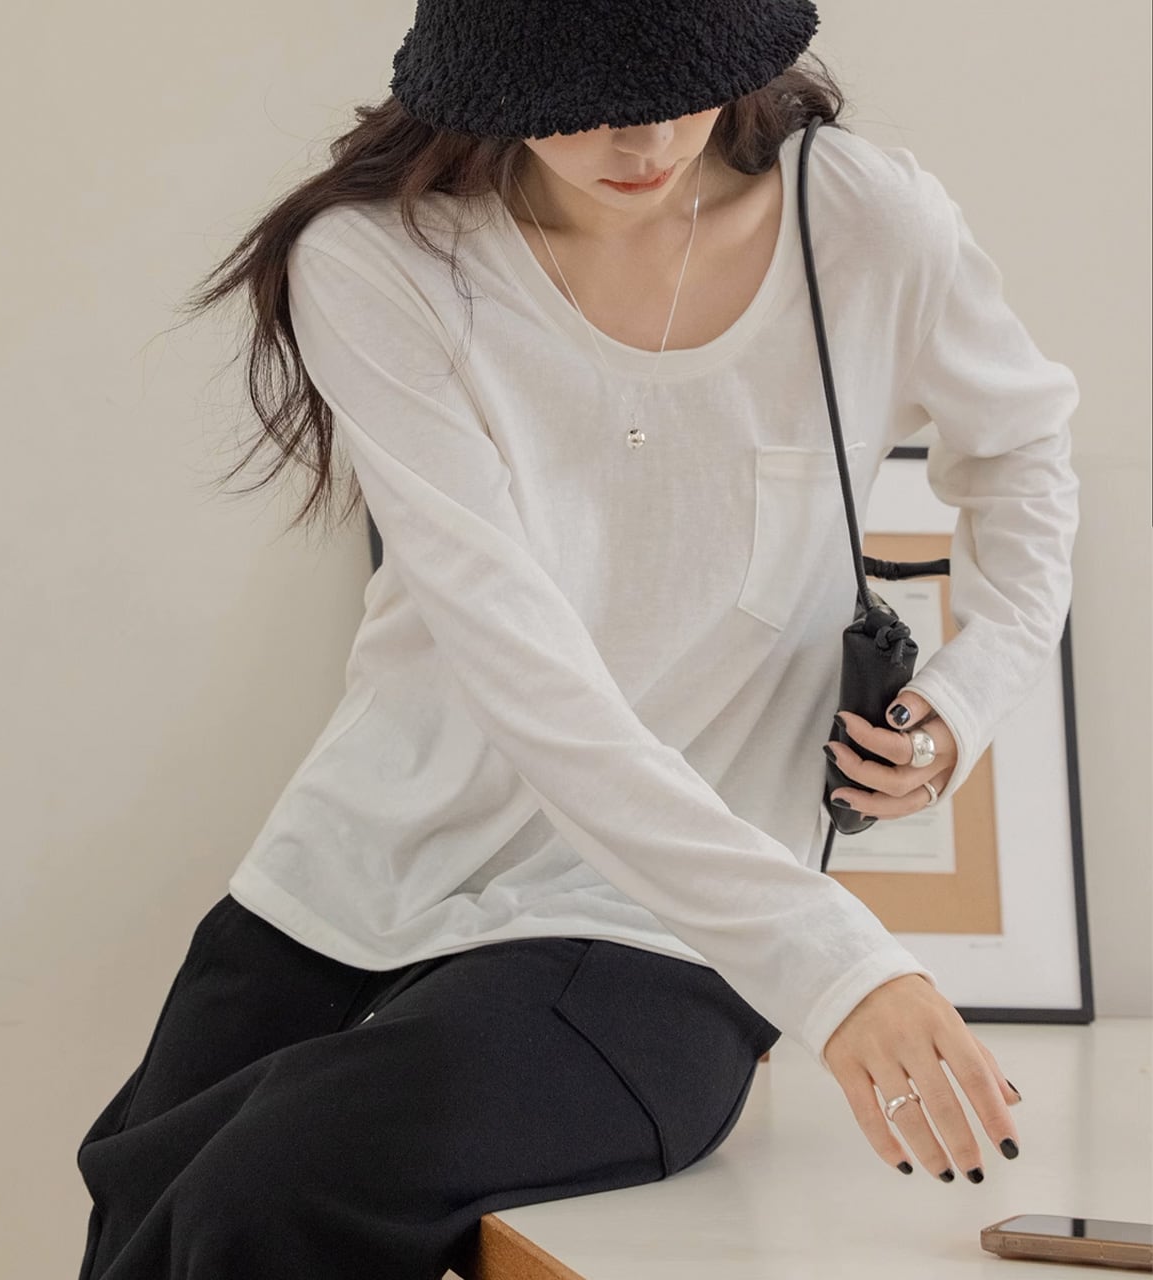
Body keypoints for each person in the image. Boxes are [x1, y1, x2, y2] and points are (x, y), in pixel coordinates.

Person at [75, 1, 1079, 1276]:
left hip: (667, 925)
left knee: (263, 1192)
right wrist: (843, 965)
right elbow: (530, 679)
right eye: (585, 103)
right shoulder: (383, 263)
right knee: (143, 1190)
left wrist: (969, 694)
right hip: (360, 873)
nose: (641, 140)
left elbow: (1023, 454)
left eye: (676, 88)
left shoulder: (859, 220)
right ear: (493, 82)